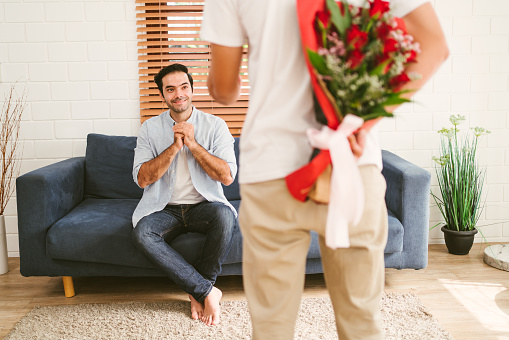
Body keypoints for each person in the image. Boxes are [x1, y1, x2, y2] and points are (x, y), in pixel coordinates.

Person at [201, 0, 448, 339]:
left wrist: (214, 78)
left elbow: (226, 91)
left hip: (271, 173)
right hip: (351, 164)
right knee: (361, 324)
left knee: (271, 326)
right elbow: (434, 46)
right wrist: (360, 123)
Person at [131, 63, 237, 326]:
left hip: (204, 205)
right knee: (142, 233)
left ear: (191, 88)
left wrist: (192, 143)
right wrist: (175, 147)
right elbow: (142, 179)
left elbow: (226, 176)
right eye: (170, 89)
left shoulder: (215, 125)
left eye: (183, 87)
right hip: (163, 208)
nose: (178, 94)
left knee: (225, 217)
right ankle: (206, 291)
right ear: (163, 95)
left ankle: (198, 289)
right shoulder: (149, 129)